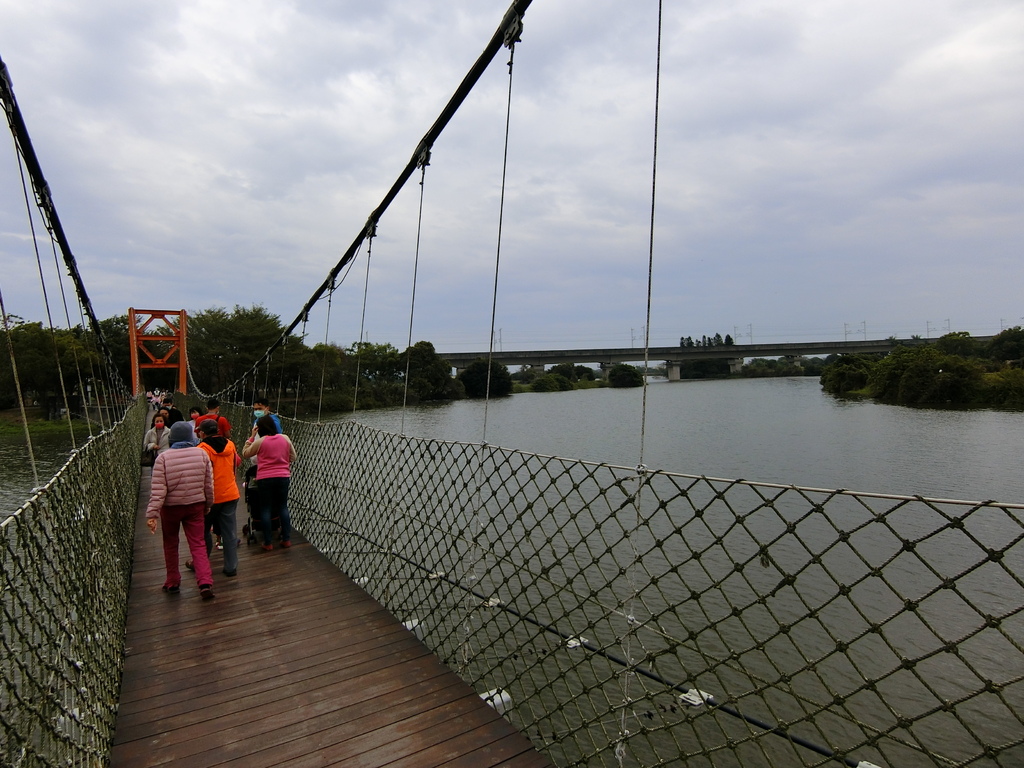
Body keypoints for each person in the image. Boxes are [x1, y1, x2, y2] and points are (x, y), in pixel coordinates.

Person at [146, 421, 216, 599]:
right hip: (195, 506)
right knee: (198, 543)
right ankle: (205, 582)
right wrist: (208, 504)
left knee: (170, 543)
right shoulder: (201, 454)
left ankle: (172, 581)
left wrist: (152, 514)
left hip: (171, 509)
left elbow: (158, 489)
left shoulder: (162, 458)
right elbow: (208, 484)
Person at [241, 414, 296, 551]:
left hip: (265, 478)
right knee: (283, 506)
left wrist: (251, 438)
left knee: (265, 508)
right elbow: (293, 457)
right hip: (283, 476)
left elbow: (245, 453)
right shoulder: (285, 439)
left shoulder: (261, 442)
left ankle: (267, 542)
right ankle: (286, 539)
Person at [195, 418, 242, 577]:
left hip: (210, 497)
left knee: (203, 532)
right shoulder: (231, 445)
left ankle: (201, 563)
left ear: (202, 432)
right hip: (230, 493)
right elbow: (236, 464)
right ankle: (231, 566)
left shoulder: (201, 448)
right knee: (229, 533)